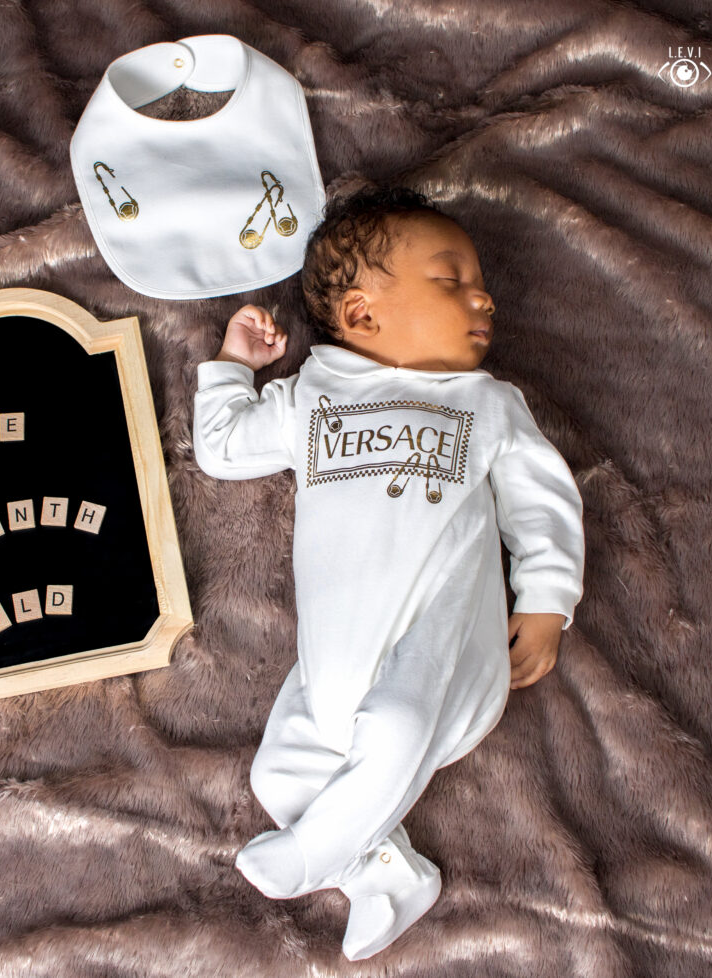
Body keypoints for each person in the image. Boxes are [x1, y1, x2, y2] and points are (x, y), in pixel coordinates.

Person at [192, 185, 585, 960]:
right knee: (278, 777)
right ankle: (388, 875)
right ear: (363, 315)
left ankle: (317, 855)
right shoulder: (314, 397)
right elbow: (224, 448)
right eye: (451, 280)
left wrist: (546, 600)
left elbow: (543, 503)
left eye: (480, 283)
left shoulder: (484, 404)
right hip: (334, 659)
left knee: (398, 724)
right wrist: (234, 365)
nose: (484, 298)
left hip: (443, 654)